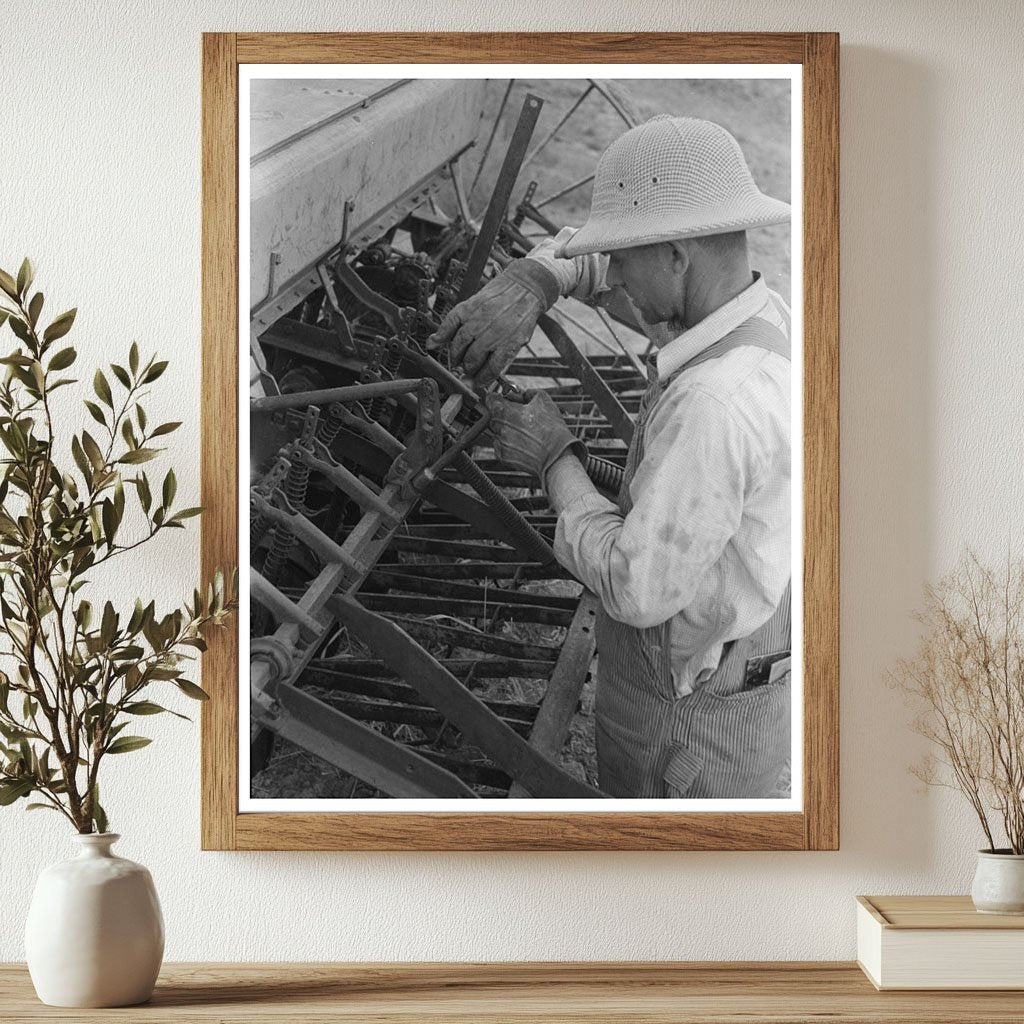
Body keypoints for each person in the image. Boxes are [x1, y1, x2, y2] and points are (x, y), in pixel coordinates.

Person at [431, 115, 793, 798]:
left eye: (625, 261)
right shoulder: (758, 314)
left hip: (687, 729)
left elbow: (635, 588)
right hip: (738, 665)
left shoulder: (713, 406)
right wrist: (537, 278)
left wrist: (554, 459)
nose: (614, 280)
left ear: (679, 256)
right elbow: (601, 265)